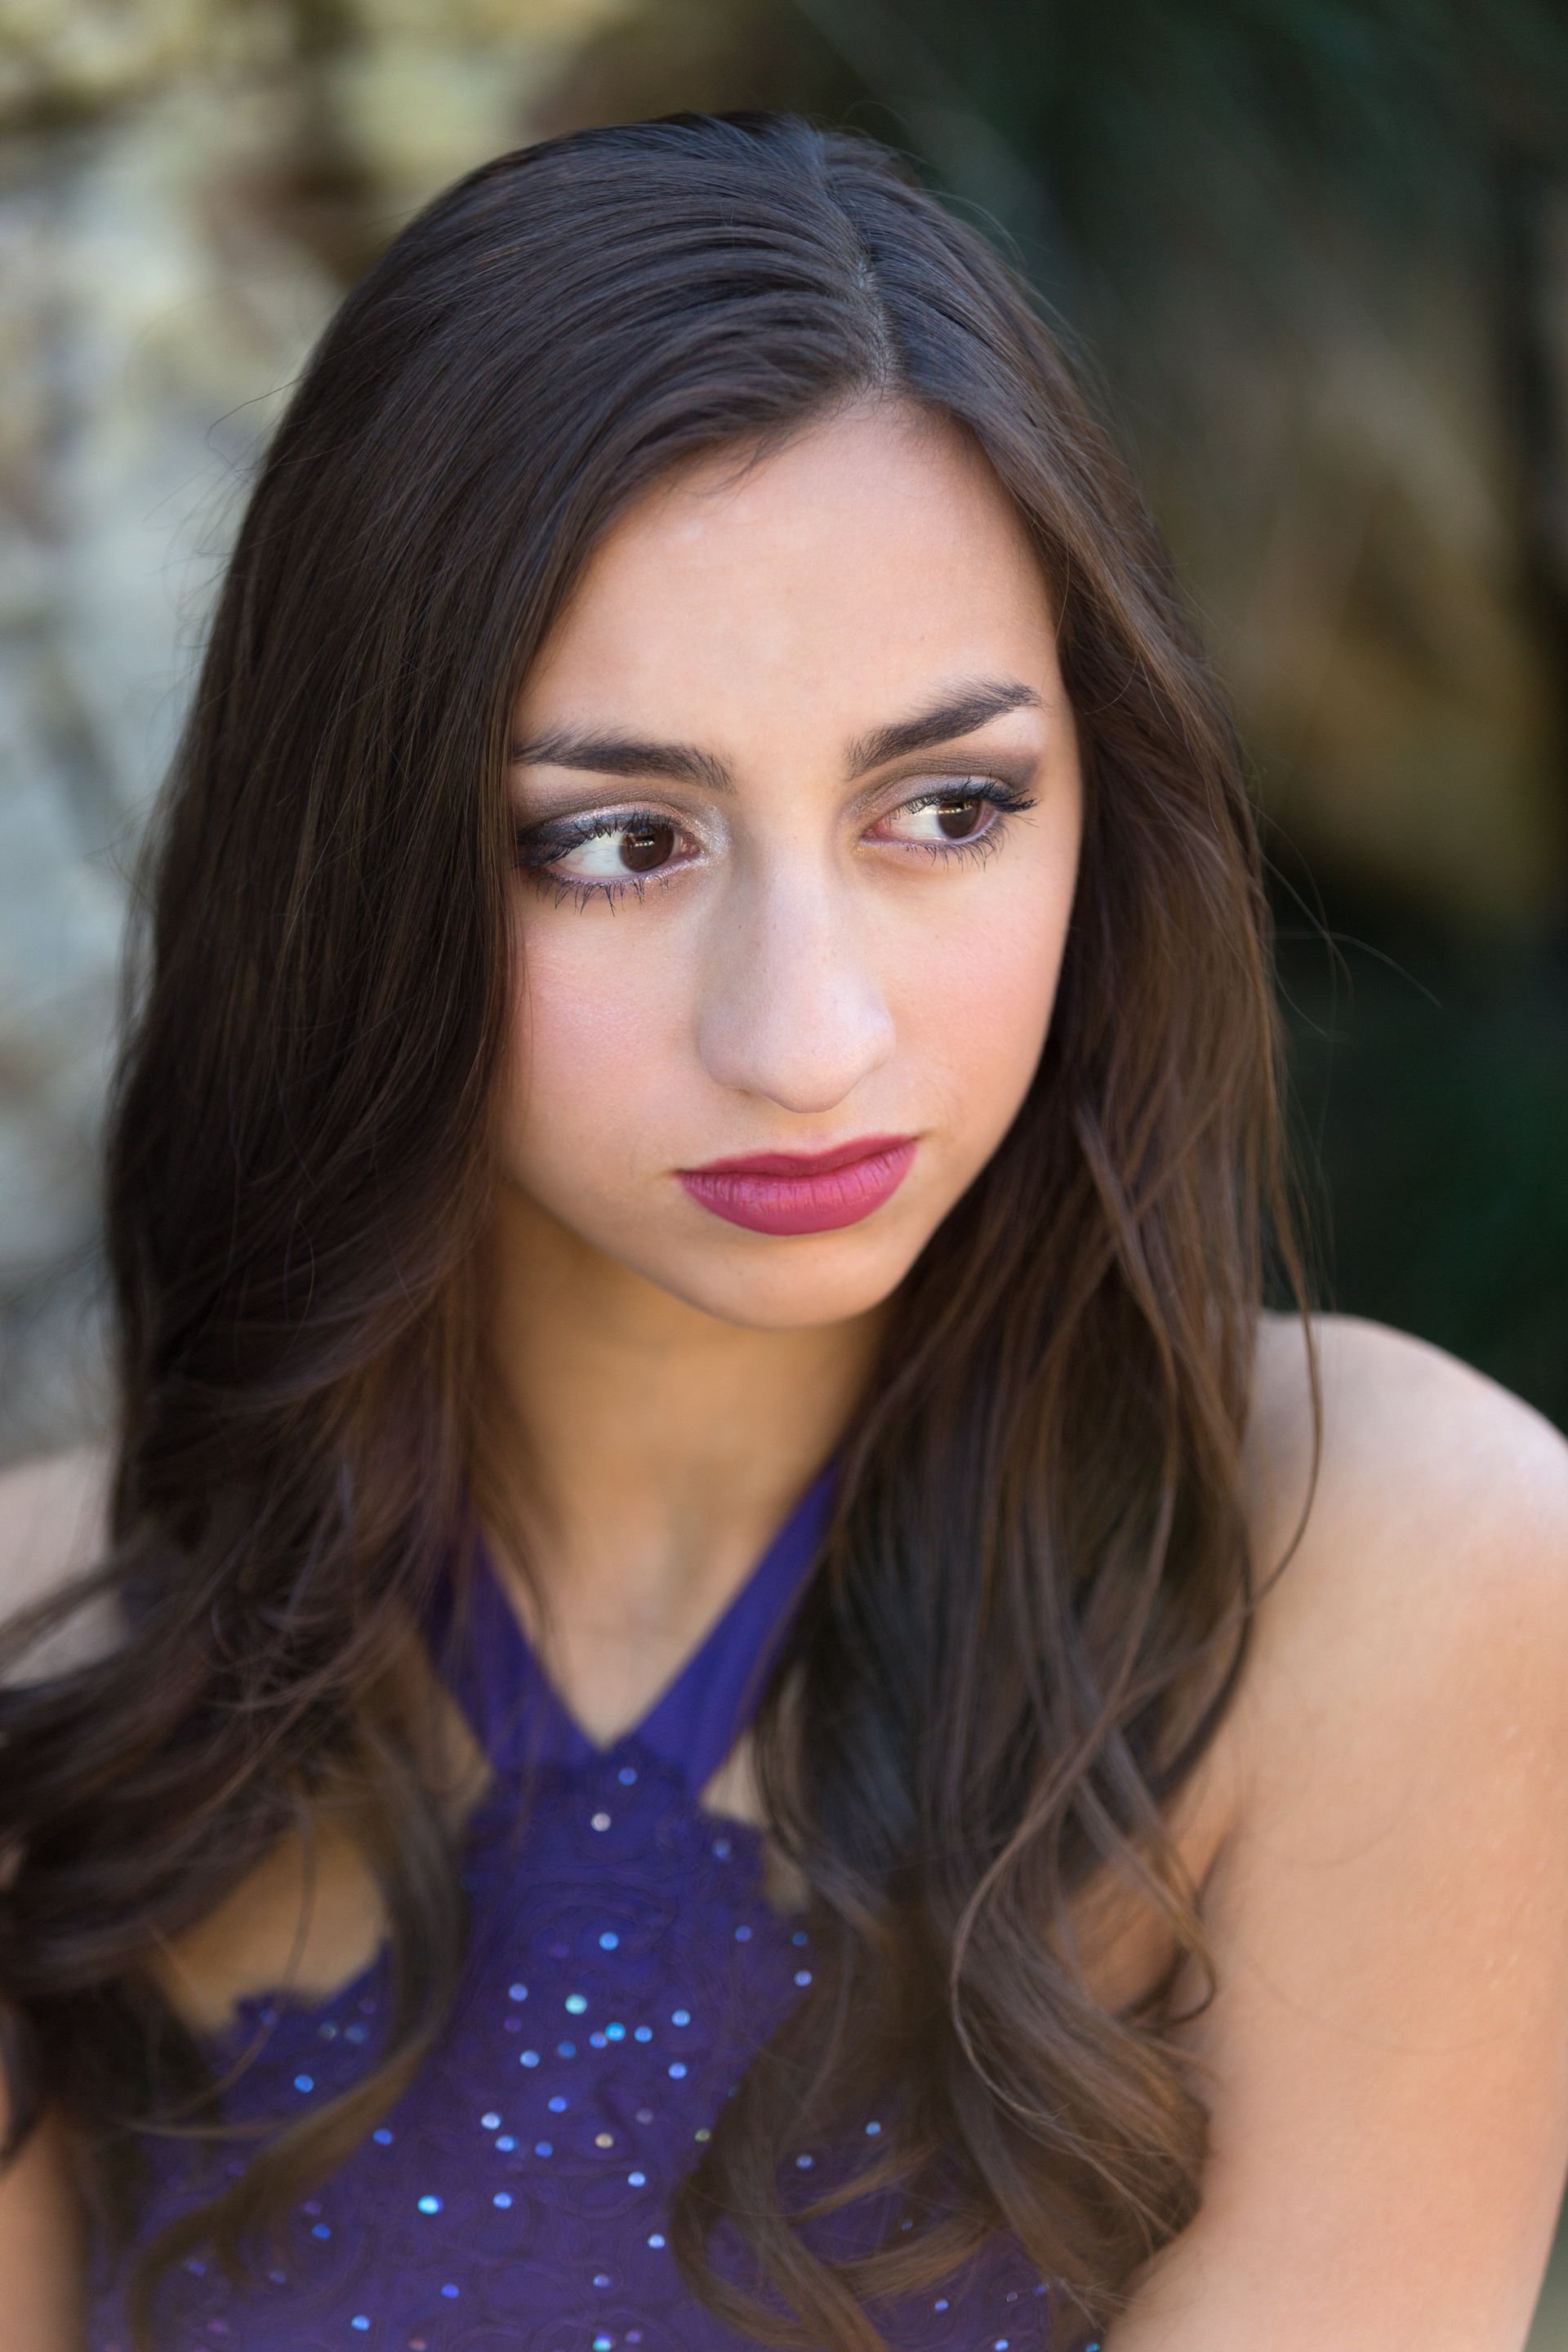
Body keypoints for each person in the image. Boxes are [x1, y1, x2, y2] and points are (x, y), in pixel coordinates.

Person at [2, 107, 1567, 2352]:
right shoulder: (57, 1683)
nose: (809, 1037)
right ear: (361, 871)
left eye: (948, 808)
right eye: (622, 843)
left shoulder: (1382, 1568)